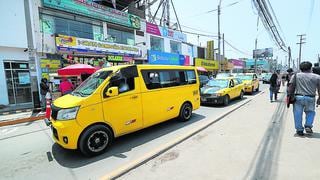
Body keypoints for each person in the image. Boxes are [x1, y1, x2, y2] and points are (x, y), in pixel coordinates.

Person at [289, 61, 320, 136]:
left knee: (297, 114)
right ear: (310, 68)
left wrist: (290, 96)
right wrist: (319, 97)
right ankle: (308, 125)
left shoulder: (296, 76)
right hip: (311, 97)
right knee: (310, 112)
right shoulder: (317, 77)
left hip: (298, 97)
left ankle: (299, 130)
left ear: (300, 68)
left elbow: (291, 86)